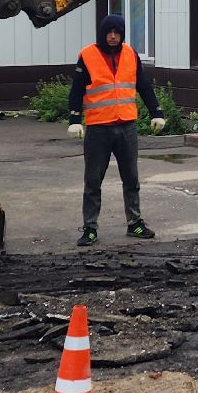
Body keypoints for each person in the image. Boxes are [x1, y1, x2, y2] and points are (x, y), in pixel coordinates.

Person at [67, 13, 165, 246]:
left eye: (117, 32)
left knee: (131, 178)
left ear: (122, 34)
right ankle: (90, 228)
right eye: (109, 32)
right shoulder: (87, 55)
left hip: (127, 127)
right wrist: (74, 119)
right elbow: (76, 90)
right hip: (98, 129)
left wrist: (157, 112)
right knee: (93, 180)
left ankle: (135, 223)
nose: (113, 36)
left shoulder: (131, 54)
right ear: (103, 33)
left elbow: (143, 85)